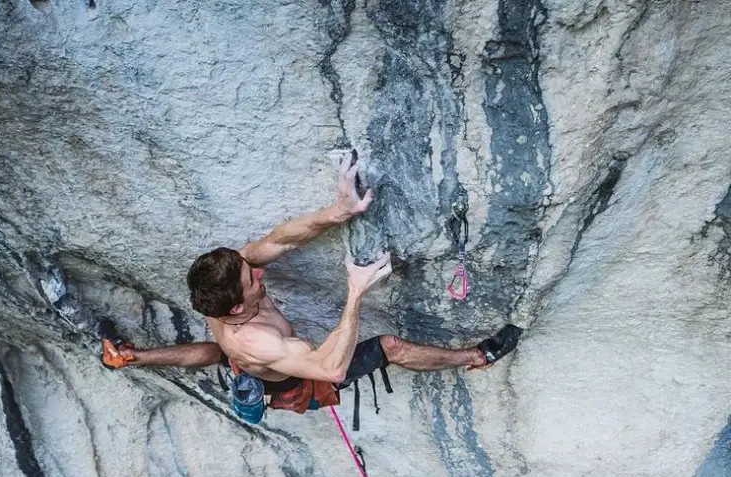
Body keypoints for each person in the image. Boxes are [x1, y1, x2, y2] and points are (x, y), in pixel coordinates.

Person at [102, 154, 521, 414]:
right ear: (235, 309)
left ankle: (133, 357)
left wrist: (338, 211)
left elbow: (281, 239)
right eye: (253, 280)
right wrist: (356, 291)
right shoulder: (255, 343)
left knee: (216, 351)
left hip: (247, 358)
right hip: (289, 374)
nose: (259, 272)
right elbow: (331, 368)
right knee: (389, 348)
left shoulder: (226, 281)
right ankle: (478, 355)